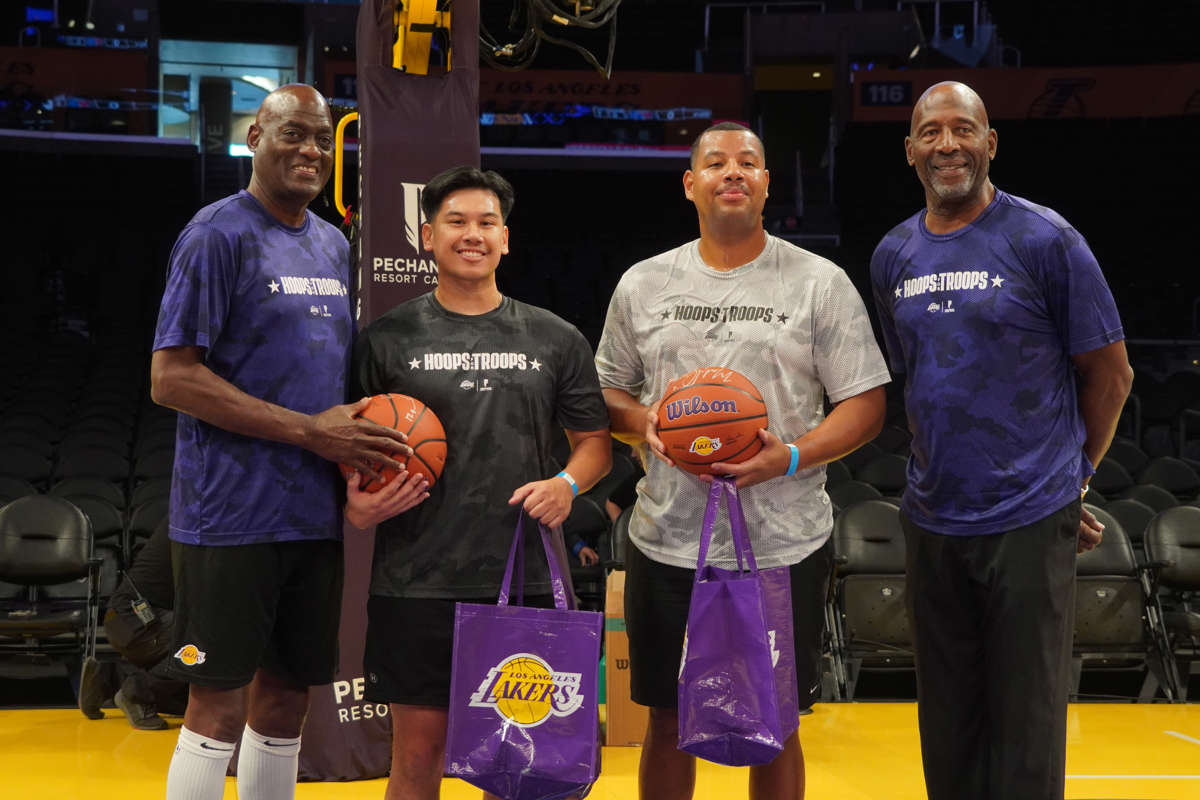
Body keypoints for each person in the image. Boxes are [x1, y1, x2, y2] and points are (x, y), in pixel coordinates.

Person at [595, 121, 891, 800]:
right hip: (668, 539)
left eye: (748, 162)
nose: (732, 172)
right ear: (689, 184)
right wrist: (646, 423)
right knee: (667, 719)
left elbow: (866, 403)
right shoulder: (644, 283)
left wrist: (790, 456)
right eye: (716, 163)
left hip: (782, 544)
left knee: (776, 721)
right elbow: (603, 392)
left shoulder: (819, 282)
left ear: (765, 183)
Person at [150, 84, 424, 800]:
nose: (311, 151)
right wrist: (309, 431)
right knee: (217, 703)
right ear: (255, 139)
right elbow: (171, 379)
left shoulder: (332, 243)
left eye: (323, 139)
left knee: (285, 701)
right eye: (294, 134)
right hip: (228, 515)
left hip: (311, 515)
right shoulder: (217, 234)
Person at [869, 81, 1133, 800]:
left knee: (1026, 725)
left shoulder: (1046, 239)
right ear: (910, 151)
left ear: (990, 142)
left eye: (963, 129)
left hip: (1028, 517)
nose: (947, 144)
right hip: (931, 517)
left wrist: (1071, 480)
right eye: (931, 132)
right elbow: (916, 378)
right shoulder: (893, 254)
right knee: (948, 725)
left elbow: (1110, 375)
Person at [345, 165, 612, 800]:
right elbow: (349, 445)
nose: (473, 234)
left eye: (487, 223)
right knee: (418, 755)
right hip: (416, 578)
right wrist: (358, 507)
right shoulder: (384, 340)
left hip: (523, 577)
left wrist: (566, 485)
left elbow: (596, 446)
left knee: (521, 758)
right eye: (457, 222)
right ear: (426, 236)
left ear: (506, 238)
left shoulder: (555, 337)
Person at [78, 521, 189, 730]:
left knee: (196, 700)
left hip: (124, 618)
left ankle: (108, 679)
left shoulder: (188, 514)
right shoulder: (200, 524)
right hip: (138, 620)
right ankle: (138, 693)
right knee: (208, 641)